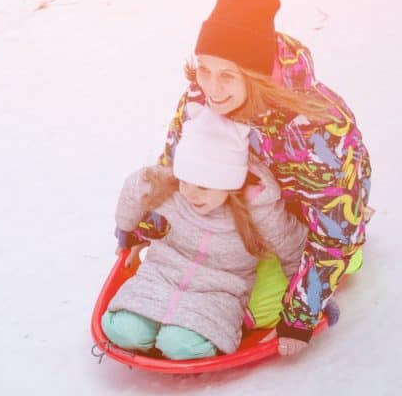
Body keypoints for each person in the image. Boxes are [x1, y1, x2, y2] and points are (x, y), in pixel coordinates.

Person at [159, 0, 372, 358]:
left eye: (227, 75)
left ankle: (353, 249)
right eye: (204, 69)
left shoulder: (319, 131)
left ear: (255, 73)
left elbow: (333, 231)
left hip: (307, 226)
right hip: (241, 215)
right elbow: (177, 160)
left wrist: (299, 317)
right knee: (190, 284)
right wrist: (154, 218)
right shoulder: (202, 95)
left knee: (250, 310)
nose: (211, 87)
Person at [102, 105, 304, 360]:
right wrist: (126, 231)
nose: (190, 194)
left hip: (218, 293)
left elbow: (293, 248)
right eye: (184, 181)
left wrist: (306, 308)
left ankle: (177, 338)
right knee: (123, 332)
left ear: (230, 183)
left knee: (179, 345)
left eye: (203, 186)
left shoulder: (258, 209)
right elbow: (136, 186)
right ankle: (150, 331)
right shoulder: (172, 189)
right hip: (161, 275)